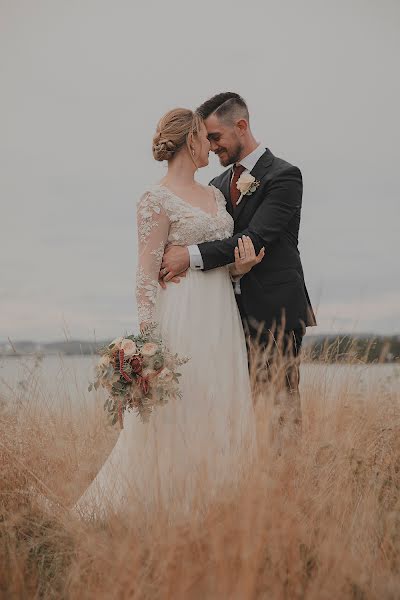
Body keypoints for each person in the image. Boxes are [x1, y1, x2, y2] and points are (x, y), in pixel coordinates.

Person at [72, 107, 262, 521]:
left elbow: (218, 257)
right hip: (182, 317)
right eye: (204, 137)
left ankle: (220, 508)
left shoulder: (214, 195)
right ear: (189, 139)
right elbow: (144, 277)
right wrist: (149, 345)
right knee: (182, 409)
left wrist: (238, 268)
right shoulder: (154, 199)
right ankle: (170, 510)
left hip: (221, 316)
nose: (211, 146)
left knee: (220, 402)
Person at [159, 93, 317, 405]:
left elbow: (253, 239)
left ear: (241, 126)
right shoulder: (216, 186)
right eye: (207, 138)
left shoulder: (284, 176)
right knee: (234, 408)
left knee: (278, 409)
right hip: (224, 313)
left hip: (276, 312)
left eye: (215, 137)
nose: (211, 145)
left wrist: (186, 255)